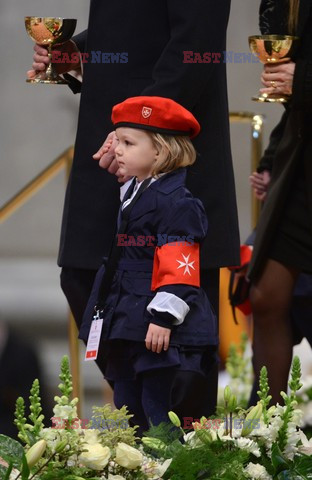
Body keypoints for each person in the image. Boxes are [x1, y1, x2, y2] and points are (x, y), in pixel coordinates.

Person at [27, 0, 240, 416]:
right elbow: (134, 24)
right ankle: (140, 424)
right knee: (85, 277)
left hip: (163, 141)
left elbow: (197, 41)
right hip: (114, 134)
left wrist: (142, 128)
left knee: (176, 299)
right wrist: (81, 53)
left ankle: (181, 448)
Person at [79, 96, 218, 433]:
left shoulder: (177, 203)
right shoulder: (135, 192)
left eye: (128, 142)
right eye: (118, 140)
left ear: (159, 152)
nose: (118, 150)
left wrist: (164, 317)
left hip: (155, 324)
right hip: (127, 316)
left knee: (159, 409)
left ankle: (164, 464)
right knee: (128, 404)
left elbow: (181, 263)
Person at [247, 0, 312, 404]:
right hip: (299, 167)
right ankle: (265, 432)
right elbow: (294, 110)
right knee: (266, 296)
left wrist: (302, 78)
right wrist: (272, 161)